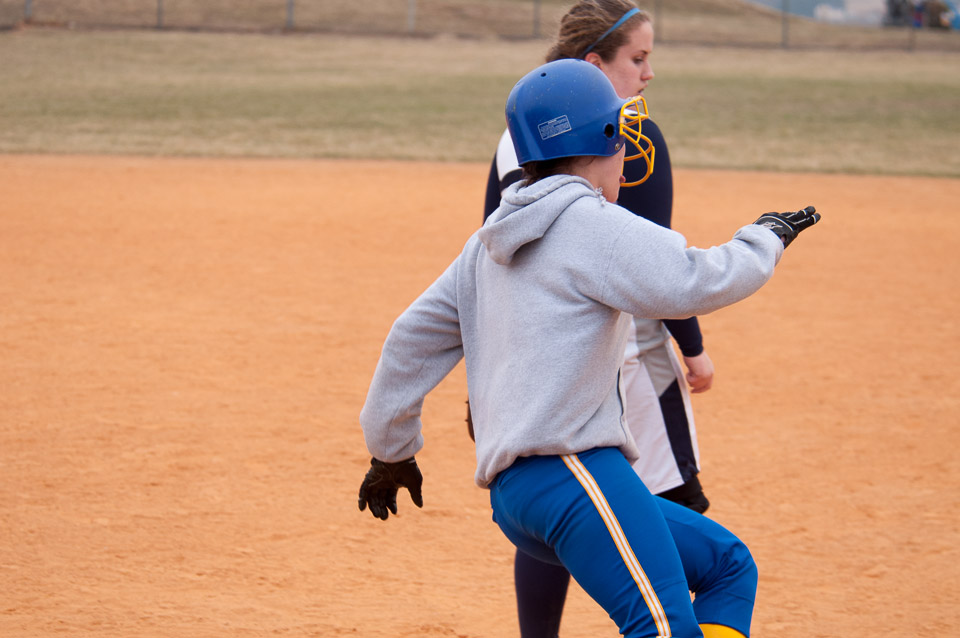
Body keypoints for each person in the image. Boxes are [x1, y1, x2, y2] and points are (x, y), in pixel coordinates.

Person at [357, 57, 819, 638]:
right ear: (604, 140)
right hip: (573, 472)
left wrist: (391, 451)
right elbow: (695, 282)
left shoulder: (485, 243)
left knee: (727, 564)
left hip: (516, 497)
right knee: (663, 629)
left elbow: (409, 340)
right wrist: (765, 238)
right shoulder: (590, 222)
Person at [480, 3, 722, 635]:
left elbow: (489, 246)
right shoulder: (633, 136)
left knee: (557, 513)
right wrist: (694, 348)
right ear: (594, 63)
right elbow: (661, 264)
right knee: (682, 511)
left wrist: (486, 376)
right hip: (625, 351)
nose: (647, 75)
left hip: (531, 352)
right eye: (637, 59)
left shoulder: (516, 134)